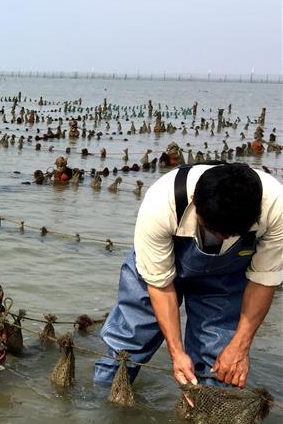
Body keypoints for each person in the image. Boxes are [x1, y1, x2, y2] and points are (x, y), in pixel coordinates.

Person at [94, 162, 282, 389]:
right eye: (214, 230)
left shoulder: (276, 207)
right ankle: (101, 399)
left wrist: (240, 347)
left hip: (227, 274)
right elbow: (160, 284)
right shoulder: (162, 203)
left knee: (219, 357)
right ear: (194, 200)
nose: (221, 238)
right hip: (162, 263)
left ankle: (206, 413)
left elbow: (263, 280)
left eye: (231, 234)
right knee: (132, 338)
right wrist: (176, 353)